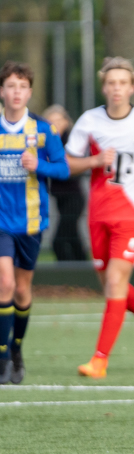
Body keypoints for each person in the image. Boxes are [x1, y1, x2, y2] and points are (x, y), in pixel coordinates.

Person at [65, 57, 134, 379]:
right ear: (104, 86)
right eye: (111, 83)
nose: (116, 88)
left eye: (122, 83)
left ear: (132, 87)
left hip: (132, 213)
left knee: (115, 281)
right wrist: (95, 160)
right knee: (110, 285)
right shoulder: (89, 122)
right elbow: (69, 163)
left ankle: (99, 360)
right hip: (98, 213)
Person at [0, 61, 70, 384]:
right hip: (1, 221)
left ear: (29, 91)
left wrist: (38, 165)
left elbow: (64, 169)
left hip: (30, 221)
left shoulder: (43, 130)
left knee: (23, 289)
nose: (16, 92)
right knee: (5, 283)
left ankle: (16, 350)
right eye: (11, 86)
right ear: (2, 91)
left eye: (22, 86)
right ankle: (1, 358)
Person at [43, 105, 88, 262]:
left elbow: (68, 165)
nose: (54, 124)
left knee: (59, 241)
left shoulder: (71, 142)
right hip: (61, 198)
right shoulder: (47, 141)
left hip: (74, 198)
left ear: (66, 122)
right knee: (74, 238)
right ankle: (86, 274)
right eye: (50, 121)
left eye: (58, 120)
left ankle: (67, 275)